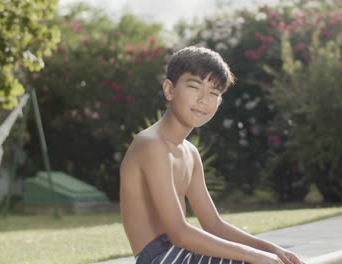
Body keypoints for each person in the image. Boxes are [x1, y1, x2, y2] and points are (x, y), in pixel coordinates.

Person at [120, 46, 304, 264]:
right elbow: (179, 234)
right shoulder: (152, 145)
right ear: (169, 90)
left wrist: (271, 249)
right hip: (161, 258)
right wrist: (256, 256)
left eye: (214, 93)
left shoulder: (190, 153)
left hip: (182, 253)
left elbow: (214, 225)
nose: (203, 99)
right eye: (194, 86)